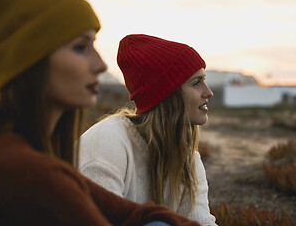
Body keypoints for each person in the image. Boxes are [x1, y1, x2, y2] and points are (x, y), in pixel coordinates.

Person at [0, 0, 201, 225]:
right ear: (31, 60)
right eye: (80, 47)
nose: (101, 64)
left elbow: (125, 211)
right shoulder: (25, 171)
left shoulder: (36, 157)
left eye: (94, 45)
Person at [78, 34, 217, 225]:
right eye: (196, 82)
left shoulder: (188, 159)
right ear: (168, 94)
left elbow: (201, 222)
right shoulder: (108, 141)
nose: (208, 92)